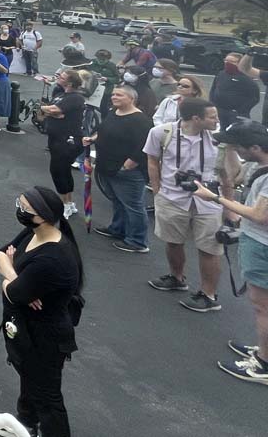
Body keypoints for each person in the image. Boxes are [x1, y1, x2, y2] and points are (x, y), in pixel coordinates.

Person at [0, 186, 84, 437]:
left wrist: (12, 283)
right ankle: (26, 424)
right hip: (26, 330)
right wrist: (16, 276)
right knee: (29, 379)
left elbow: (12, 293)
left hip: (45, 338)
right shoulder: (33, 232)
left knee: (48, 397)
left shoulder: (52, 259)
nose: (19, 211)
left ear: (43, 216)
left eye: (25, 208)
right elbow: (1, 254)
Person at [189, 120, 268, 384]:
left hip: (262, 244)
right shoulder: (258, 165)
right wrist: (229, 151)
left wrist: (216, 199)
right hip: (257, 241)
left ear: (255, 146)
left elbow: (259, 215)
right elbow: (233, 176)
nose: (235, 150)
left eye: (238, 146)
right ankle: (264, 352)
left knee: (262, 307)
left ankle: (264, 365)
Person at [144, 97, 225, 313]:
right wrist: (157, 190)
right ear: (196, 118)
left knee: (210, 248)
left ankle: (209, 295)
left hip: (209, 201)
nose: (217, 120)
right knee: (173, 241)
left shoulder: (220, 138)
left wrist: (229, 206)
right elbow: (152, 160)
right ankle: (177, 277)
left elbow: (227, 173)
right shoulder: (162, 132)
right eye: (213, 116)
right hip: (171, 197)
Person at [85, 85, 153, 253]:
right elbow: (102, 131)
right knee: (117, 201)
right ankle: (117, 229)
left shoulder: (141, 120)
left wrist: (128, 165)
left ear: (131, 99)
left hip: (126, 171)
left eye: (119, 95)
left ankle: (137, 241)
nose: (114, 97)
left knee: (133, 206)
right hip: (107, 166)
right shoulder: (113, 112)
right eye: (114, 94)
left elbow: (144, 146)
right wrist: (92, 138)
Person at [39, 69, 86, 217]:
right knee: (64, 171)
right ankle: (69, 203)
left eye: (63, 77)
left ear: (70, 83)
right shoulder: (60, 94)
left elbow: (55, 109)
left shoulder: (75, 98)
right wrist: (52, 112)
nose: (59, 77)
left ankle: (65, 204)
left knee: (58, 170)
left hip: (68, 140)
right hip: (55, 138)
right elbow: (54, 112)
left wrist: (47, 110)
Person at [210, 52, 261, 130]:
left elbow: (255, 97)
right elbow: (213, 89)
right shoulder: (221, 74)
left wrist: (240, 110)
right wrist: (212, 103)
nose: (227, 63)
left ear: (240, 63)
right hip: (219, 111)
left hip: (235, 115)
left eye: (231, 62)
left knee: (234, 136)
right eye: (226, 61)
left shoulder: (246, 78)